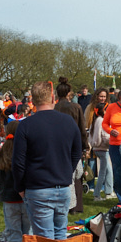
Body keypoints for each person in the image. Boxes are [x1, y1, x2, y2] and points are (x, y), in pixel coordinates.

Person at [13, 80, 82, 240]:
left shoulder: (26, 125)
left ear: (33, 100)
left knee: (46, 239)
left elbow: (18, 162)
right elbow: (77, 152)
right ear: (52, 98)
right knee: (59, 236)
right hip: (60, 186)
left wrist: (20, 187)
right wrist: (66, 172)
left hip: (39, 188)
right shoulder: (68, 122)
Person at [53, 77, 89, 214]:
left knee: (59, 174)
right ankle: (75, 206)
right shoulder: (76, 107)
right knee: (76, 175)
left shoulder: (54, 108)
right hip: (73, 144)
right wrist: (85, 146)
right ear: (69, 93)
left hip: (56, 145)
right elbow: (81, 129)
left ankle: (62, 204)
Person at [85, 89, 113, 200]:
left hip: (97, 147)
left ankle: (104, 192)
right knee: (104, 172)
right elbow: (105, 136)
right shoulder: (101, 121)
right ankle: (99, 194)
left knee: (105, 171)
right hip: (102, 148)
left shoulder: (96, 120)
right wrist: (112, 140)